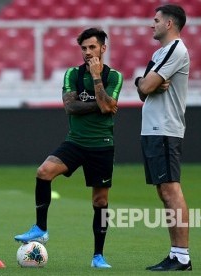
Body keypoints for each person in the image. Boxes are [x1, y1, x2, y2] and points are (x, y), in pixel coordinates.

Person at [14, 27, 123, 268]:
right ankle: (41, 228)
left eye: (92, 47)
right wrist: (101, 104)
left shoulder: (114, 76)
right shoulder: (72, 74)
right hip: (75, 141)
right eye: (83, 48)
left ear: (103, 48)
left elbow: (106, 106)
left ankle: (98, 256)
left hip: (102, 145)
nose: (87, 52)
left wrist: (96, 79)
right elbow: (71, 107)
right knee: (43, 172)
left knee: (100, 202)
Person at [133, 4, 192, 271]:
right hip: (153, 128)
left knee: (170, 189)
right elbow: (143, 90)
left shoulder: (176, 49)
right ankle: (175, 254)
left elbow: (146, 85)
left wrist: (146, 83)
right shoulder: (160, 52)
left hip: (165, 128)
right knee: (163, 191)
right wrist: (143, 82)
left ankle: (182, 257)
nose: (151, 24)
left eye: (155, 20)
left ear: (169, 23)